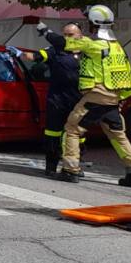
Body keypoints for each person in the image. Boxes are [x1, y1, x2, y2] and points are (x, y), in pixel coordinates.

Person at [45, 5, 131, 186]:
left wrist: (45, 31)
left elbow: (63, 43)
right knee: (118, 135)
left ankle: (70, 170)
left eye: (88, 22)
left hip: (96, 96)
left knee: (72, 129)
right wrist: (121, 98)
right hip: (113, 98)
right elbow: (129, 72)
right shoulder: (117, 48)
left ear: (93, 24)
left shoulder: (93, 44)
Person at [22, 24, 84, 177]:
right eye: (65, 34)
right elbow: (36, 57)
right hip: (57, 99)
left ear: (80, 36)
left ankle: (73, 166)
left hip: (79, 100)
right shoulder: (55, 50)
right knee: (53, 133)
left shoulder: (88, 51)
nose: (67, 37)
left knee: (77, 135)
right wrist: (21, 54)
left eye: (71, 34)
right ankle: (51, 166)